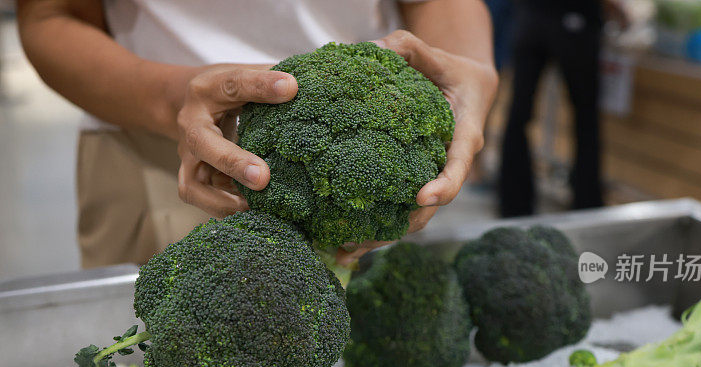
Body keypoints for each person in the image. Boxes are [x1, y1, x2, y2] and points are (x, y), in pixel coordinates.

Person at [16, 0, 498, 267]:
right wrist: (171, 97)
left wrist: (462, 71)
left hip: (381, 154)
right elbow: (49, 17)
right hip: (161, 150)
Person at [498, 0, 627, 217]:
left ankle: (513, 204)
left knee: (519, 113)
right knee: (586, 118)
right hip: (572, 17)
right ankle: (586, 204)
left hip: (530, 17)